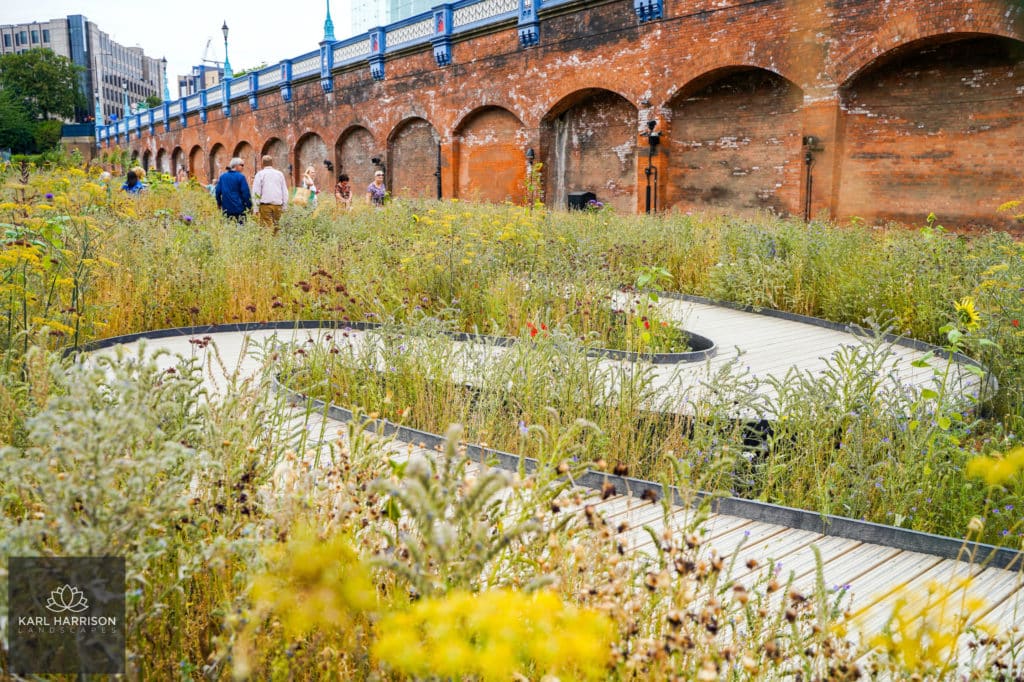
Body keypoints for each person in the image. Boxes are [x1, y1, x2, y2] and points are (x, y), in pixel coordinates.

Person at [252, 155, 289, 233]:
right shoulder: (280, 174)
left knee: (267, 229)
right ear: (272, 163)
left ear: (262, 163)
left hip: (265, 206)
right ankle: (276, 243)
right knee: (276, 228)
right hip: (278, 205)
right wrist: (285, 206)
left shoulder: (260, 174)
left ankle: (269, 244)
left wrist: (256, 208)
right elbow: (284, 191)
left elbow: (256, 192)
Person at [215, 157, 252, 222]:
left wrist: (219, 203)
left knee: (229, 229)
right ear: (236, 166)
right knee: (241, 229)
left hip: (226, 209)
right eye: (242, 165)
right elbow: (246, 193)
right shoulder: (241, 177)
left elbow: (217, 192)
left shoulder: (223, 177)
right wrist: (249, 206)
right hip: (239, 209)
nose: (243, 167)